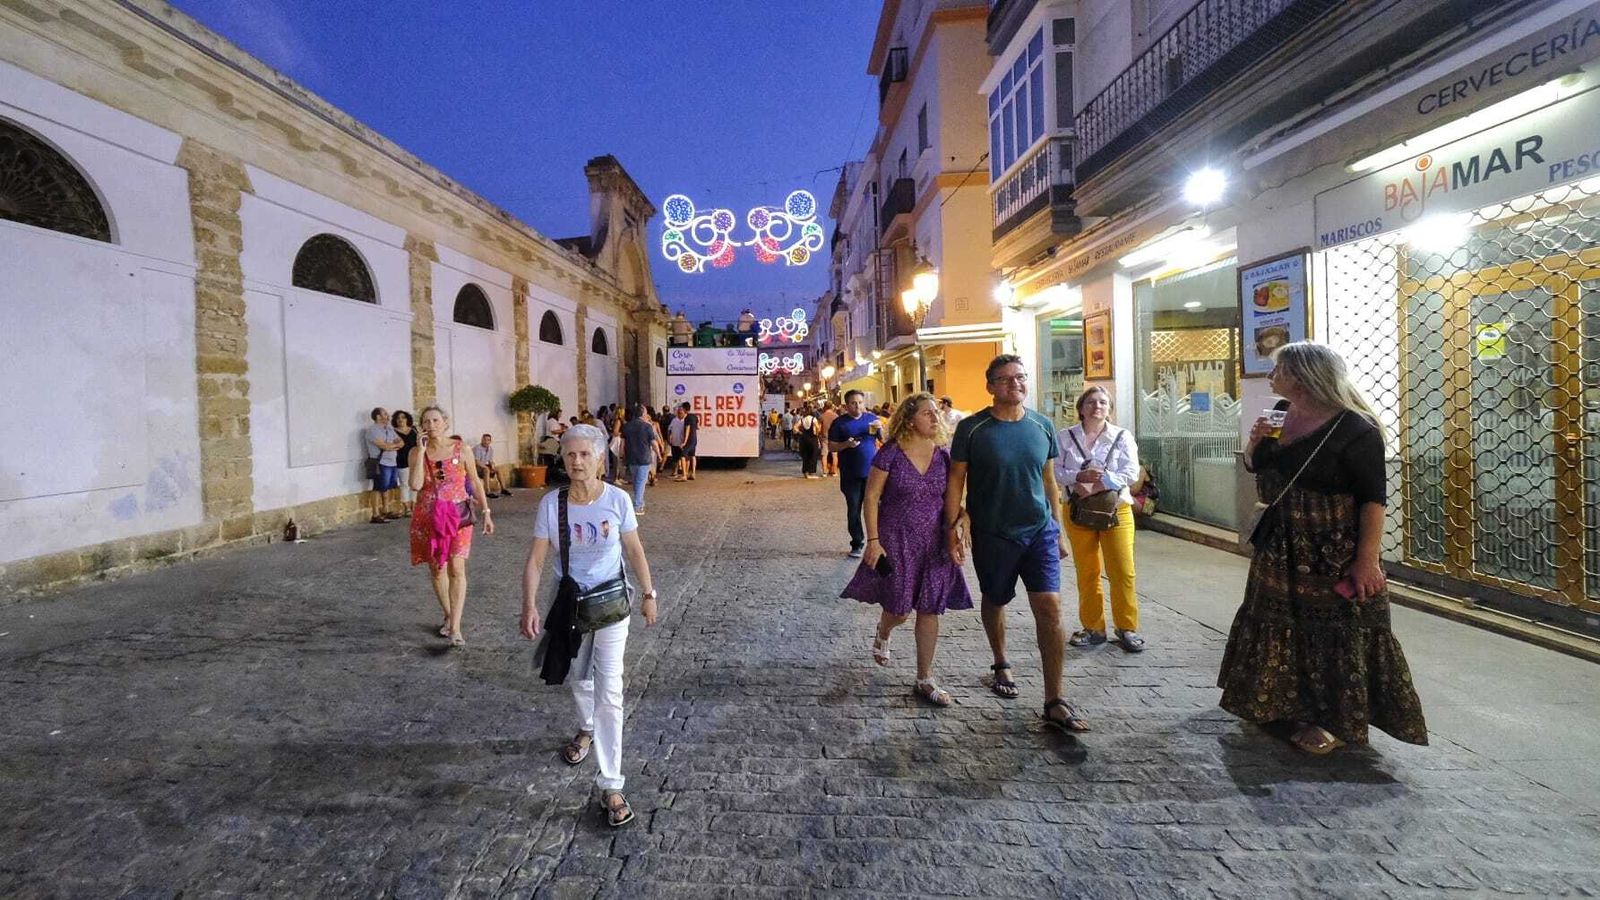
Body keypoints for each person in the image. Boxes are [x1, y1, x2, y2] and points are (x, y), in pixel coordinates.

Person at [1218, 341, 1426, 755]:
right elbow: (1261, 467)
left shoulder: (1356, 429)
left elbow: (1373, 499)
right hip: (1280, 546)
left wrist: (1366, 560)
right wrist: (1256, 445)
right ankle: (1279, 703)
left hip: (1330, 549)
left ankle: (1330, 720)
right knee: (1278, 623)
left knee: (1334, 630)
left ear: (1301, 376)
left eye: (1278, 369)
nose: (1272, 376)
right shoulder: (1280, 413)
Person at [520, 423, 659, 827]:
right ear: (562, 459)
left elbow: (634, 549)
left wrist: (649, 594)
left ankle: (611, 784)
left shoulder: (616, 500)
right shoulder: (553, 504)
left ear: (600, 458)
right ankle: (586, 729)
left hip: (612, 604)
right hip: (570, 608)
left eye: (584, 454)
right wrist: (528, 604)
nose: (577, 462)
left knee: (609, 689)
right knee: (578, 679)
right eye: (570, 455)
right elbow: (535, 559)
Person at [945, 355, 1088, 732]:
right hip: (993, 532)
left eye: (1021, 377)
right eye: (1005, 379)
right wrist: (953, 523)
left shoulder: (1042, 425)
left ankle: (1054, 699)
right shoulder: (973, 429)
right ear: (990, 386)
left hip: (1039, 530)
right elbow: (955, 479)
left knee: (1050, 607)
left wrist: (1057, 529)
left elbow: (1050, 481)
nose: (1015, 384)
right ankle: (1001, 659)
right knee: (996, 599)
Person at [841, 392, 972, 706]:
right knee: (899, 608)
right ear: (910, 419)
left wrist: (962, 518)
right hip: (897, 539)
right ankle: (884, 630)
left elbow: (953, 496)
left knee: (929, 608)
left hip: (934, 542)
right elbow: (871, 498)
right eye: (927, 413)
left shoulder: (943, 455)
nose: (934, 417)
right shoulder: (891, 454)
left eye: (935, 413)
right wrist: (873, 541)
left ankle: (925, 678)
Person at [1056, 386, 1144, 652]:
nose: (1098, 407)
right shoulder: (1065, 437)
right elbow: (1056, 472)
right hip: (1077, 509)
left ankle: (1127, 627)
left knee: (1122, 569)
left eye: (1103, 402)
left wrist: (1102, 482)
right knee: (1087, 571)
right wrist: (1079, 477)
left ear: (1110, 408)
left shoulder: (1122, 436)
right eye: (1092, 402)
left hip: (1116, 509)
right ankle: (1093, 628)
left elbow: (1130, 473)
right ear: (1081, 408)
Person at [408, 406, 494, 647]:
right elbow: (414, 485)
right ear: (422, 426)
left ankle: (455, 626)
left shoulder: (461, 449)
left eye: (436, 420)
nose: (431, 424)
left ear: (445, 422)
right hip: (429, 517)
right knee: (437, 569)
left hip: (458, 517)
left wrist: (486, 512)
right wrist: (422, 452)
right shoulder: (416, 452)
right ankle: (448, 613)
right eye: (426, 421)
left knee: (457, 567)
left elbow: (475, 482)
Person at [827, 390, 881, 559]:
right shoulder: (839, 423)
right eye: (853, 403)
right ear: (846, 405)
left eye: (860, 402)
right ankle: (857, 543)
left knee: (877, 508)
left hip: (872, 473)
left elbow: (883, 440)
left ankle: (879, 541)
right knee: (854, 509)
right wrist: (845, 445)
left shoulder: (871, 419)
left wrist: (881, 430)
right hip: (851, 474)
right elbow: (831, 447)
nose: (857, 406)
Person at [364, 407, 403, 524]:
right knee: (378, 487)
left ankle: (386, 509)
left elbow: (401, 442)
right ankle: (375, 514)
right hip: (380, 462)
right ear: (378, 417)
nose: (388, 416)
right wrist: (393, 445)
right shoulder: (372, 430)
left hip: (392, 461)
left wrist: (392, 445)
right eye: (385, 414)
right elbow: (383, 446)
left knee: (388, 487)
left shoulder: (389, 429)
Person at [621, 404, 657, 514]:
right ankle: (637, 505)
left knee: (636, 481)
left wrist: (622, 455)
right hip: (644, 457)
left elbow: (622, 444)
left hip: (631, 457)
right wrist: (659, 454)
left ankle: (640, 502)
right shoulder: (647, 426)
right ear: (643, 414)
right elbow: (653, 443)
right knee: (641, 481)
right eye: (645, 412)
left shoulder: (627, 426)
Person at [392, 410, 418, 515]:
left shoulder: (414, 430)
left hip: (414, 460)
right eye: (398, 418)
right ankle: (406, 507)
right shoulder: (393, 432)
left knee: (414, 483)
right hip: (401, 460)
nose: (400, 420)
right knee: (404, 484)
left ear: (407, 419)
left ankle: (414, 504)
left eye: (403, 417)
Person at [473, 434, 509, 499]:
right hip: (476, 468)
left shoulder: (490, 449)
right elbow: (476, 461)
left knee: (498, 469)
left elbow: (490, 460)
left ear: (490, 441)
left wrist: (492, 466)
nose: (486, 442)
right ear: (482, 440)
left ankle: (503, 489)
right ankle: (487, 491)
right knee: (486, 470)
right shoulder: (477, 448)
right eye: (485, 440)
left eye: (488, 440)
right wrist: (486, 467)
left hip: (484, 466)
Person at [676, 402, 699, 481]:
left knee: (682, 455)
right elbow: (697, 427)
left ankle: (684, 475)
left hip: (689, 440)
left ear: (685, 409)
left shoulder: (687, 418)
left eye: (682, 408)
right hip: (694, 439)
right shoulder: (695, 416)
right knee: (692, 455)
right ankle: (693, 474)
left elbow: (688, 429)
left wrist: (684, 442)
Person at [818, 401, 840, 477]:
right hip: (834, 438)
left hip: (825, 438)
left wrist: (819, 435)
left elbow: (819, 428)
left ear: (825, 406)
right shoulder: (836, 416)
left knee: (824, 455)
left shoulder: (822, 416)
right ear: (831, 407)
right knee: (835, 455)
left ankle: (824, 471)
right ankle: (834, 471)